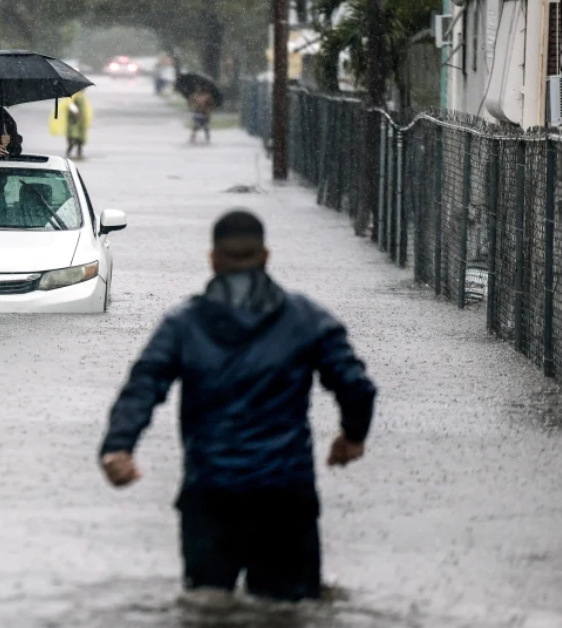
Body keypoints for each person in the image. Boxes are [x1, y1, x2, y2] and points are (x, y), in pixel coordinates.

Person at [98, 209, 377, 603]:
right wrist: (352, 436)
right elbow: (356, 385)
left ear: (212, 258)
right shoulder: (307, 320)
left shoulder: (182, 324)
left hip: (211, 493)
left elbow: (144, 385)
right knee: (290, 609)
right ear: (266, 256)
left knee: (207, 607)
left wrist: (118, 446)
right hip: (285, 496)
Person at [49, 90, 92, 159]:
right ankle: (68, 155)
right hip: (74, 124)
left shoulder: (81, 96)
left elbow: (84, 109)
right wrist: (76, 112)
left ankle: (78, 154)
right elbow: (70, 106)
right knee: (72, 140)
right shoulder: (74, 96)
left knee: (79, 141)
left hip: (80, 124)